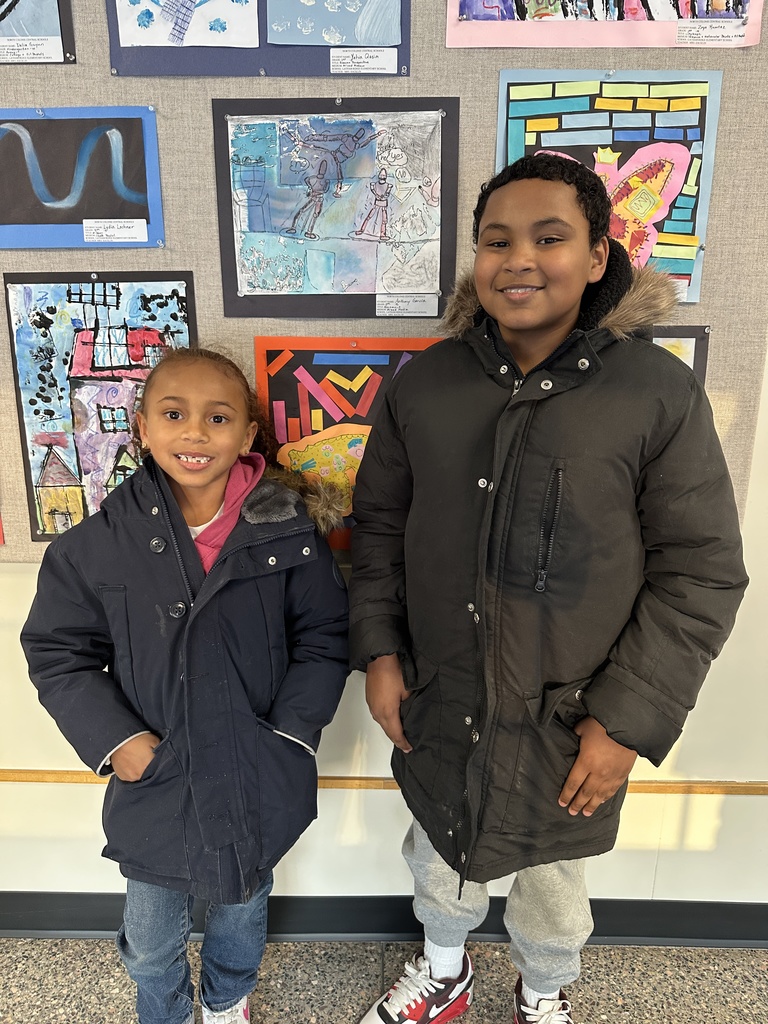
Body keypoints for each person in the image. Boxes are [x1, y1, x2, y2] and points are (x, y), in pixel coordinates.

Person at [349, 154, 747, 1024]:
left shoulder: (656, 392)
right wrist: (379, 650)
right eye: (497, 241)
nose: (518, 259)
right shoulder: (427, 384)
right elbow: (377, 528)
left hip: (571, 720)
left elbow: (701, 570)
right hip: (440, 696)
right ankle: (444, 971)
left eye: (549, 237)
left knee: (554, 882)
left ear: (599, 255)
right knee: (437, 851)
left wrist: (627, 720)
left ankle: (541, 992)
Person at [22, 347, 349, 1024]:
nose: (195, 432)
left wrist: (291, 735)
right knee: (148, 943)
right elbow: (58, 652)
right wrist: (119, 742)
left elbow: (323, 638)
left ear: (248, 435)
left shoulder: (288, 534)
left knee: (241, 908)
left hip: (255, 766)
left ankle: (227, 1001)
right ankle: (165, 1010)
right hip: (157, 774)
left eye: (218, 418)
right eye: (174, 414)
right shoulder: (96, 545)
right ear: (142, 427)